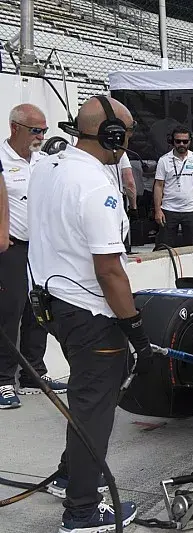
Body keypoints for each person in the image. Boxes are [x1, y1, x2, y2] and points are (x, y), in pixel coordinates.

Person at [27, 95, 146, 531]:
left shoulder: (47, 166)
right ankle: (81, 512)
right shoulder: (96, 186)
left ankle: (69, 474)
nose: (129, 140)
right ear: (113, 136)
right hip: (88, 313)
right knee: (95, 407)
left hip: (50, 305)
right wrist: (135, 329)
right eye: (127, 133)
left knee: (87, 399)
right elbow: (110, 270)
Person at [0, 104, 67, 410]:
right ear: (15, 127)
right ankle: (3, 379)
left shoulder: (44, 161)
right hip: (11, 248)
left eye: (44, 130)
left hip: (40, 247)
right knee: (9, 313)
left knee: (39, 312)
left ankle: (33, 375)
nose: (41, 136)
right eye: (35, 130)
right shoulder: (2, 160)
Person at [154, 126, 193, 247]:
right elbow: (158, 186)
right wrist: (158, 210)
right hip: (169, 209)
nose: (181, 144)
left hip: (191, 210)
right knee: (164, 248)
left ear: (190, 141)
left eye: (185, 141)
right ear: (172, 142)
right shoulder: (164, 160)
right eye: (178, 141)